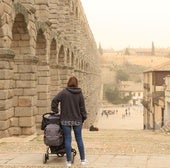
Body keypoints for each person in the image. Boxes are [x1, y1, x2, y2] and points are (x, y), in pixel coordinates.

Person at [51, 76, 87, 167]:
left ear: (68, 83)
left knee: (68, 139)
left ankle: (68, 162)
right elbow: (82, 108)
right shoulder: (79, 93)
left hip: (65, 120)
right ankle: (83, 160)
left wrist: (56, 111)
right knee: (79, 139)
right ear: (77, 83)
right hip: (77, 120)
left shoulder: (64, 92)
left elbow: (55, 100)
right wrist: (83, 118)